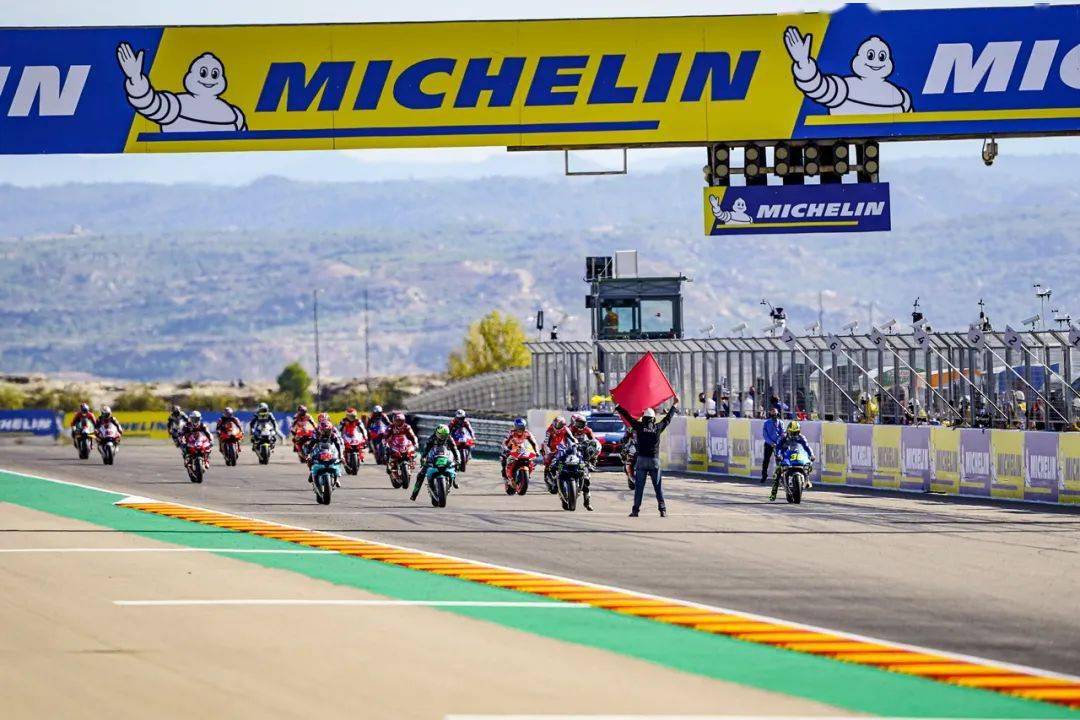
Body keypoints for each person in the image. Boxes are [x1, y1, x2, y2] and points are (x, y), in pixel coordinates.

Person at [615, 397, 678, 517]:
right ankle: (663, 510)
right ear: (653, 419)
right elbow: (668, 419)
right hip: (654, 461)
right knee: (658, 487)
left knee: (639, 487)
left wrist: (619, 407)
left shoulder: (639, 426)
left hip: (641, 460)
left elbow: (628, 417)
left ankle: (635, 511)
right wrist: (674, 405)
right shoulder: (658, 427)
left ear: (643, 418)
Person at [550, 413, 598, 511]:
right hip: (566, 452)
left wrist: (590, 448)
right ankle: (555, 482)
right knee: (557, 466)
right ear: (573, 422)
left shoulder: (587, 430)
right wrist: (557, 448)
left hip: (580, 454)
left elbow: (593, 441)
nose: (580, 425)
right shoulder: (567, 429)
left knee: (586, 478)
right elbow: (559, 439)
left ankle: (587, 501)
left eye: (582, 423)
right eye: (578, 423)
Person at [411, 424, 462, 501]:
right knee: (420, 475)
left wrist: (458, 460)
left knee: (455, 466)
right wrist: (423, 458)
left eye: (445, 435)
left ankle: (454, 481)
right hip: (433, 458)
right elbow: (425, 450)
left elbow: (454, 449)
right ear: (437, 433)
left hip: (445, 457)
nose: (443, 437)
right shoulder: (431, 439)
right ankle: (414, 494)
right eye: (441, 435)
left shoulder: (449, 438)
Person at [770, 421, 815, 502]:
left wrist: (811, 455)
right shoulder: (783, 437)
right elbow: (778, 448)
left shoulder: (801, 437)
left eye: (796, 432)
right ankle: (773, 493)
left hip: (796, 455)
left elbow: (807, 447)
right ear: (788, 431)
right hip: (784, 455)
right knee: (778, 472)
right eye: (792, 432)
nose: (794, 434)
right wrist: (778, 455)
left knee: (808, 465)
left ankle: (807, 479)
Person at [304, 415, 345, 486]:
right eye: (324, 431)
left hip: (330, 448)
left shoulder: (333, 434)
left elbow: (338, 444)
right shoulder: (316, 433)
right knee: (310, 459)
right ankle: (312, 472)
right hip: (319, 448)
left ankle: (337, 476)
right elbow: (310, 445)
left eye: (327, 431)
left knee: (338, 459)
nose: (326, 433)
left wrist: (341, 455)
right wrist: (307, 454)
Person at [761, 408, 783, 484]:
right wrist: (770, 442)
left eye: (775, 412)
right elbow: (765, 434)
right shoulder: (766, 423)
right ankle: (764, 475)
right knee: (766, 460)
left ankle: (779, 477)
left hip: (777, 445)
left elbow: (782, 433)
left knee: (779, 461)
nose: (774, 414)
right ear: (770, 413)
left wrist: (777, 442)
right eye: (773, 412)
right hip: (768, 444)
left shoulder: (780, 422)